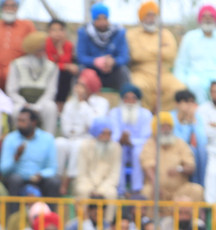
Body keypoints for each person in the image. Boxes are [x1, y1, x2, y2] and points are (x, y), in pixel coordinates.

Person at [56, 68, 107, 196]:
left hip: (90, 140)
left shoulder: (102, 103)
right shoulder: (70, 104)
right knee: (59, 143)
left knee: (79, 145)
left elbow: (94, 126)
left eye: (82, 85)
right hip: (71, 137)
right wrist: (80, 130)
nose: (78, 88)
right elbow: (65, 128)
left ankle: (68, 181)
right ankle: (58, 178)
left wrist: (83, 103)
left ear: (90, 87)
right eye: (77, 84)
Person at [127, 0, 185, 111]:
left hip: (163, 74)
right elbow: (136, 54)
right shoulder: (132, 34)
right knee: (138, 86)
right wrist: (160, 49)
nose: (151, 18)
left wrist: (146, 50)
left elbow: (171, 53)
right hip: (141, 73)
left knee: (179, 88)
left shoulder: (165, 34)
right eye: (148, 15)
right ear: (141, 17)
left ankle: (159, 114)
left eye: (154, 15)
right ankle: (146, 116)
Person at [174, 5, 216, 105]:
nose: (208, 19)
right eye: (204, 16)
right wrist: (182, 83)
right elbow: (181, 65)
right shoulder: (189, 37)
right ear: (199, 19)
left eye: (211, 16)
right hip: (195, 76)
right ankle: (202, 112)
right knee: (194, 83)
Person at [6, 31, 59, 136]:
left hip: (42, 104)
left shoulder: (52, 67)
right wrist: (24, 104)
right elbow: (11, 90)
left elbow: (51, 91)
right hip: (22, 103)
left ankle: (48, 139)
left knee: (51, 107)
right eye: (39, 49)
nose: (41, 52)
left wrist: (38, 106)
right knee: (15, 110)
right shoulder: (16, 64)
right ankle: (17, 139)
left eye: (43, 49)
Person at [0, 107, 60, 199]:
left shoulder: (47, 139)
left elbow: (52, 168)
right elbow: (3, 170)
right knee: (15, 180)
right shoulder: (10, 138)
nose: (19, 124)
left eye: (23, 121)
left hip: (39, 180)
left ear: (34, 122)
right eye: (18, 121)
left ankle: (49, 209)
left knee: (54, 182)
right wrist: (16, 156)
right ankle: (13, 209)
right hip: (18, 180)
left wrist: (41, 174)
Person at [142, 112, 203, 202]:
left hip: (179, 191)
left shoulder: (180, 143)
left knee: (197, 190)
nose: (167, 129)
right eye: (163, 126)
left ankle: (185, 211)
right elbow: (147, 167)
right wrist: (156, 184)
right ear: (155, 129)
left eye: (169, 126)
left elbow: (191, 167)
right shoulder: (149, 144)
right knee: (146, 191)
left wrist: (179, 169)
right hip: (157, 190)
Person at [109, 84, 153, 197]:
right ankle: (120, 189)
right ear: (122, 99)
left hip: (138, 146)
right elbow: (113, 134)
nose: (130, 101)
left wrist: (131, 142)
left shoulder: (146, 114)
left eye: (133, 98)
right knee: (118, 150)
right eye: (126, 98)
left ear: (138, 100)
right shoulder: (114, 113)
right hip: (120, 144)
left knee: (138, 152)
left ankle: (136, 188)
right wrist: (121, 139)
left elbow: (145, 138)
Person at [75, 3, 129, 92]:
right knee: (82, 71)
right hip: (92, 72)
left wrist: (113, 62)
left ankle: (125, 99)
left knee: (123, 71)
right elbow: (80, 57)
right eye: (98, 18)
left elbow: (124, 57)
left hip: (112, 72)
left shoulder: (118, 32)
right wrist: (95, 61)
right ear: (93, 19)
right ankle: (81, 99)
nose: (102, 22)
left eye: (105, 18)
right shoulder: (84, 32)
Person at [0, 0, 33, 90]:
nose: (9, 9)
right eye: (6, 5)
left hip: (19, 68)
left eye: (13, 6)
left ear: (17, 8)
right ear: (2, 8)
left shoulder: (27, 25)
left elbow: (34, 47)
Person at [75, 117, 120, 199]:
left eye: (109, 134)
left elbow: (114, 175)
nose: (106, 137)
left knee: (111, 193)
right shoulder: (85, 146)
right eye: (103, 133)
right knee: (82, 190)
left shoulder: (116, 148)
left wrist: (101, 189)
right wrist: (90, 188)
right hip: (86, 183)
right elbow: (82, 173)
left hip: (107, 185)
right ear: (96, 132)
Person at [45, 19, 76, 106]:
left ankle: (61, 103)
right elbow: (50, 63)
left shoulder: (68, 45)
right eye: (54, 30)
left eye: (60, 30)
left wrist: (59, 49)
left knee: (66, 74)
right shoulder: (46, 43)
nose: (57, 33)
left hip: (62, 75)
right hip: (48, 72)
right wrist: (64, 66)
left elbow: (67, 61)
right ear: (49, 32)